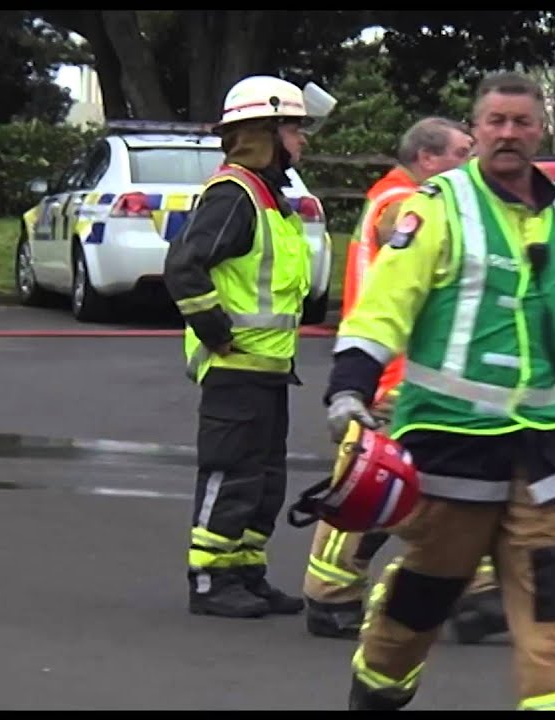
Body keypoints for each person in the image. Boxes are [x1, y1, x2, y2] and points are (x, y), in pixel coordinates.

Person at [321, 70, 555, 711]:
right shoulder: (437, 206)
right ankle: (375, 691)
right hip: (452, 440)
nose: (508, 134)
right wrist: (350, 388)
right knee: (427, 593)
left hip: (548, 450)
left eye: (521, 122)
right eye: (496, 122)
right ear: (476, 129)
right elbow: (385, 306)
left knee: (554, 597)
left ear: (540, 130)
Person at [302, 116, 508, 645]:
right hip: (395, 374)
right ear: (428, 159)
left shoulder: (413, 199)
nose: (472, 160)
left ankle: (473, 588)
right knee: (376, 488)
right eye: (463, 151)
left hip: (418, 375)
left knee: (442, 482)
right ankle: (333, 594)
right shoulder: (403, 202)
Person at [164, 74, 334, 619]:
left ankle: (244, 571)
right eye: (294, 128)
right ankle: (210, 581)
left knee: (263, 479)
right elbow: (185, 267)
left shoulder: (268, 197)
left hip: (267, 368)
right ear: (266, 132)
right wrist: (214, 332)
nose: (303, 140)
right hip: (235, 366)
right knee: (229, 470)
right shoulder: (235, 196)